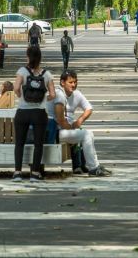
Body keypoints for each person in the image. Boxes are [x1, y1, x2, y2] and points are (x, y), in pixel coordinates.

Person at [47, 70, 111, 177]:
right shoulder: (58, 94)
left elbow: (89, 108)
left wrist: (79, 121)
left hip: (65, 131)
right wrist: (72, 127)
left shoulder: (76, 94)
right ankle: (93, 168)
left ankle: (92, 166)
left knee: (86, 134)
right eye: (70, 82)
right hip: (54, 132)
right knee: (86, 134)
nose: (73, 85)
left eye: (75, 82)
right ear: (62, 82)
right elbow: (60, 120)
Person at [12, 45, 55, 182]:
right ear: (40, 58)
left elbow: (16, 88)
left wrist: (21, 96)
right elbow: (53, 94)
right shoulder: (47, 74)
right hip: (39, 112)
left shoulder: (22, 71)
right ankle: (35, 173)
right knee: (38, 143)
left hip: (23, 111)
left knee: (19, 143)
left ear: (28, 57)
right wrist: (45, 99)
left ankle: (17, 172)